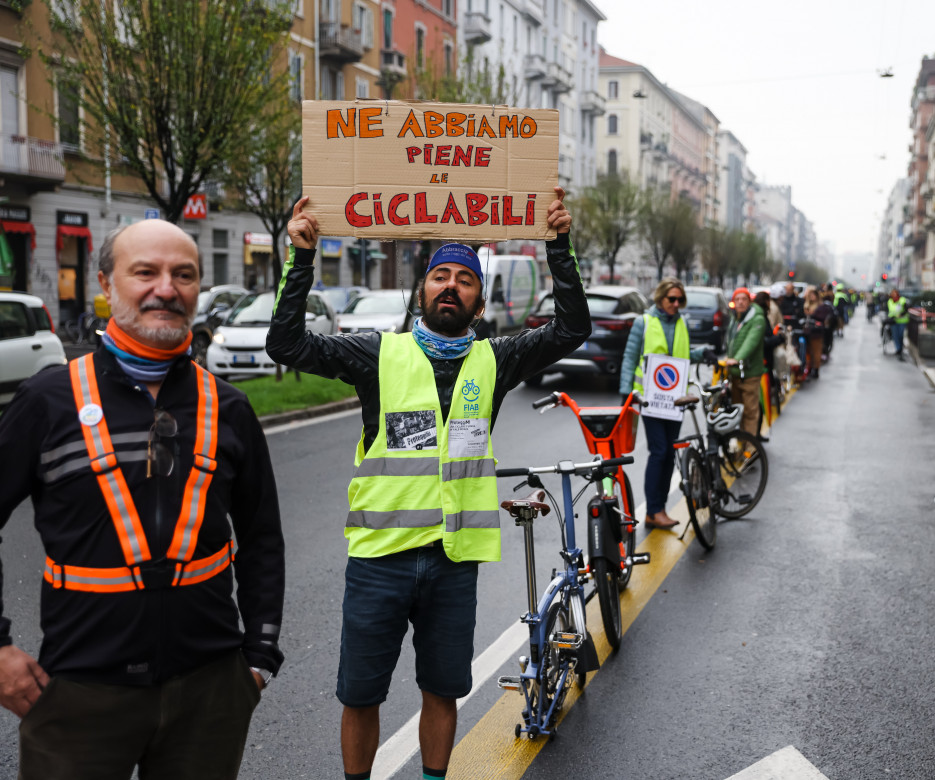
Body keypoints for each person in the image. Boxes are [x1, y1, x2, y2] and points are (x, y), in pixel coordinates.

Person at [268, 190, 587, 780]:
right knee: (360, 696)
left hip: (452, 561)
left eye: (464, 279)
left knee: (443, 691)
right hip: (380, 559)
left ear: (479, 300)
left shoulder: (497, 360)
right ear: (422, 290)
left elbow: (573, 327)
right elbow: (285, 345)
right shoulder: (376, 355)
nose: (450, 286)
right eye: (440, 275)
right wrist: (301, 259)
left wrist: (558, 248)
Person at [0, 220, 285, 779]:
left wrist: (259, 660)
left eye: (183, 275)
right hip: (80, 691)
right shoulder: (48, 400)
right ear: (106, 284)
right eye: (145, 272)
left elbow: (261, 538)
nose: (166, 288)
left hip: (211, 689)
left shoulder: (227, 408)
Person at [620, 278, 711, 530]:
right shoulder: (644, 322)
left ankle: (657, 509)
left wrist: (703, 352)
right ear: (660, 298)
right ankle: (653, 511)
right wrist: (625, 393)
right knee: (659, 452)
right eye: (672, 299)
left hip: (675, 399)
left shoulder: (681, 322)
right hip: (650, 399)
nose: (676, 304)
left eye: (680, 300)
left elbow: (683, 354)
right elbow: (629, 358)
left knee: (669, 453)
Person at [725, 287, 768, 435]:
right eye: (737, 299)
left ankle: (750, 448)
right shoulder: (735, 318)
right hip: (735, 373)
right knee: (737, 411)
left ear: (749, 301)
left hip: (749, 373)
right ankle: (742, 442)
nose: (740, 302)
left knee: (750, 411)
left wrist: (736, 359)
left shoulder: (757, 319)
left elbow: (751, 342)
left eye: (744, 299)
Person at [802, 288, 834, 379]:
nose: (811, 297)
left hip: (816, 332)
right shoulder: (806, 305)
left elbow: (821, 318)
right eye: (810, 295)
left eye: (813, 295)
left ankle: (815, 369)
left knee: (816, 352)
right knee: (808, 351)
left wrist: (812, 315)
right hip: (806, 332)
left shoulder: (821, 306)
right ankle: (809, 368)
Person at [886, 288, 910, 360]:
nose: (894, 295)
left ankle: (900, 347)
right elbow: (888, 310)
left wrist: (901, 315)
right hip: (893, 321)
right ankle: (898, 349)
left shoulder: (902, 300)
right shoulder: (890, 301)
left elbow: (906, 309)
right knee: (895, 335)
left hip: (902, 321)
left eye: (895, 293)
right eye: (892, 293)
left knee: (900, 335)